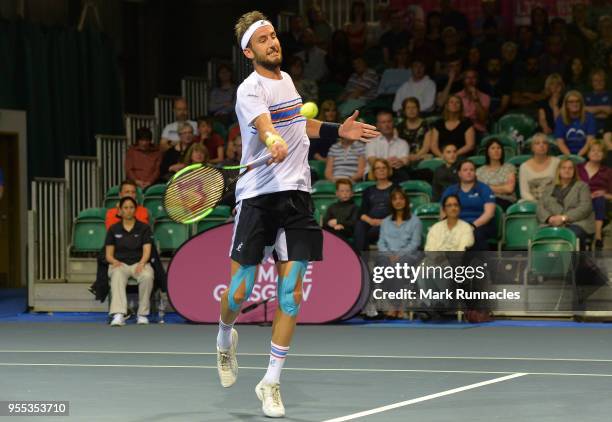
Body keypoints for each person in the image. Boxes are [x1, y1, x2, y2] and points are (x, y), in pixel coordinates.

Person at [218, 12, 378, 418]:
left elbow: (298, 123)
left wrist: (337, 130)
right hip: (258, 198)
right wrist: (270, 140)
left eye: (275, 36)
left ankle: (270, 381)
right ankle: (224, 339)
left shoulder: (287, 81)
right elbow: (266, 125)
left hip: (297, 197)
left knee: (292, 294)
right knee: (239, 290)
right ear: (248, 51)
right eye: (264, 39)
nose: (274, 43)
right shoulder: (248, 90)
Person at [105, 196, 154, 327]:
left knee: (147, 275)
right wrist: (114, 261)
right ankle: (118, 314)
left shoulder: (144, 228)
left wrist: (142, 263)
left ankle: (142, 314)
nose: (128, 210)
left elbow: (147, 250)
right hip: (120, 264)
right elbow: (108, 254)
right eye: (125, 208)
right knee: (117, 274)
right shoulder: (113, 229)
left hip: (139, 263)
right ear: (120, 210)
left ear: (135, 210)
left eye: (131, 207)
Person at [377, 187, 422, 319]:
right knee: (383, 265)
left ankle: (398, 305)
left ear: (406, 201)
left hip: (409, 255)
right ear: (391, 202)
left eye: (401, 198)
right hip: (388, 255)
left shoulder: (415, 221)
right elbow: (381, 243)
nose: (398, 201)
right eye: (395, 199)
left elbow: (415, 243)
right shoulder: (385, 222)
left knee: (400, 266)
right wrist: (389, 255)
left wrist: (399, 255)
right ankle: (396, 305)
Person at [537, 158, 595, 250]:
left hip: (577, 223)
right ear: (559, 171)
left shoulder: (582, 186)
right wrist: (549, 218)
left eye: (570, 168)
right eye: (564, 168)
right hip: (552, 223)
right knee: (540, 234)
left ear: (574, 171)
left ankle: (578, 262)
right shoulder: (549, 188)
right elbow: (540, 207)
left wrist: (564, 218)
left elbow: (585, 208)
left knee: (571, 235)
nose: (567, 170)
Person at [441, 160, 496, 250]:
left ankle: (479, 263)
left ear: (475, 173)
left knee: (474, 234)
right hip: (457, 224)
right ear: (459, 173)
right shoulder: (451, 190)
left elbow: (489, 214)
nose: (469, 172)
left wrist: (472, 226)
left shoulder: (484, 188)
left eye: (471, 170)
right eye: (465, 170)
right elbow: (443, 213)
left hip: (480, 225)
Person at [577, 140, 612, 249]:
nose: (596, 153)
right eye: (593, 150)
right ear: (588, 153)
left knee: (599, 199)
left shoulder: (608, 172)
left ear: (604, 155)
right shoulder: (578, 168)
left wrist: (605, 195)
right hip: (580, 201)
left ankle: (597, 237)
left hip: (602, 203)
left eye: (600, 151)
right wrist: (587, 196)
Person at [354, 158, 394, 250]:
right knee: (359, 226)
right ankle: (361, 260)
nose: (381, 170)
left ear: (388, 170)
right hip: (370, 222)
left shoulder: (395, 188)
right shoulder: (368, 190)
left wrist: (383, 222)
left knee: (368, 233)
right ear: (374, 172)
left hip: (389, 222)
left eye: (384, 168)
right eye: (378, 168)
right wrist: (370, 221)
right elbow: (362, 212)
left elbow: (399, 211)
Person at [365, 109, 409, 182]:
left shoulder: (403, 143)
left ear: (393, 123)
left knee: (403, 174)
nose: (386, 125)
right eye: (383, 122)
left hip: (395, 174)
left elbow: (404, 161)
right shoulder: (371, 142)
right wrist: (387, 163)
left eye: (389, 121)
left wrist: (400, 162)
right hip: (374, 174)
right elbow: (372, 161)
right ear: (378, 125)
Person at [476, 138, 517, 210]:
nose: (496, 151)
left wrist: (487, 187)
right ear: (487, 152)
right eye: (493, 148)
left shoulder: (509, 168)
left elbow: (509, 189)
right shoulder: (479, 171)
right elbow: (477, 190)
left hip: (504, 200)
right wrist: (501, 187)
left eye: (499, 148)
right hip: (484, 200)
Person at [519, 133, 561, 202]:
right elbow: (524, 192)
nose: (542, 145)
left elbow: (560, 186)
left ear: (548, 146)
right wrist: (535, 203)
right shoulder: (524, 167)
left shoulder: (556, 162)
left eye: (544, 143)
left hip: (552, 201)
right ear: (532, 148)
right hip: (531, 202)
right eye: (537, 143)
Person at [555, 91, 596, 157]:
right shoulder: (560, 119)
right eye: (571, 102)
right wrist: (570, 157)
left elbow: (589, 141)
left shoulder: (589, 117)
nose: (575, 104)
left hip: (585, 154)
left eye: (577, 101)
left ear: (581, 104)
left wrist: (578, 157)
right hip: (566, 155)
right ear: (566, 105)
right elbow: (560, 142)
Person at [396, 97, 432, 166]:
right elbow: (396, 146)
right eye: (408, 108)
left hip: (422, 156)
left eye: (414, 107)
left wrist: (416, 156)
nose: (411, 110)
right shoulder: (399, 127)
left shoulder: (426, 125)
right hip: (404, 157)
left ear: (418, 109)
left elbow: (426, 147)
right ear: (404, 111)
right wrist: (407, 157)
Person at [323, 178, 359, 243]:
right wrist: (331, 224)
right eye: (342, 191)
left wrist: (339, 222)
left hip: (346, 230)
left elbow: (353, 222)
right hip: (333, 229)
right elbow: (325, 221)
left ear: (352, 193)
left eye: (347, 191)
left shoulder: (354, 207)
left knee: (338, 232)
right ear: (337, 193)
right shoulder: (332, 206)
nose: (345, 193)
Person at [456, 69, 490, 137]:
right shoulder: (457, 96)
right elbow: (455, 117)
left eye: (473, 78)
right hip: (460, 129)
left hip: (478, 130)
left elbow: (483, 119)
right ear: (463, 81)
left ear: (477, 80)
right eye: (467, 78)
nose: (470, 80)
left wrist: (476, 99)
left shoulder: (485, 97)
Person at [479, 57, 511, 121]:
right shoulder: (480, 83)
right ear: (487, 66)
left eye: (497, 65)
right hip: (482, 114)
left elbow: (503, 106)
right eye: (491, 65)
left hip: (501, 116)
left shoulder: (505, 82)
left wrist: (493, 115)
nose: (494, 68)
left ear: (500, 67)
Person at [584, 69, 612, 136]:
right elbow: (582, 111)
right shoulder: (586, 95)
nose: (599, 82)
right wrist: (603, 109)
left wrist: (591, 111)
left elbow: (610, 111)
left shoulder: (610, 94)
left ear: (605, 82)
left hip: (608, 130)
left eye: (601, 80)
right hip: (589, 131)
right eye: (596, 80)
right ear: (592, 82)